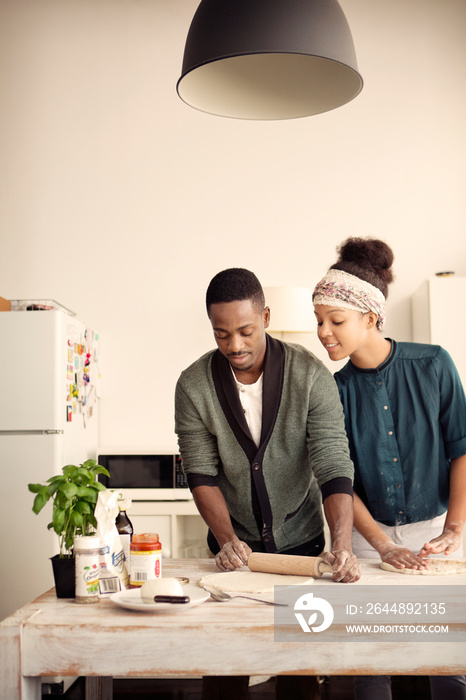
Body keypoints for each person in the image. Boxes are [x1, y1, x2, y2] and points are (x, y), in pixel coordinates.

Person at [175, 267, 360, 700]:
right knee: (224, 673)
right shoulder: (193, 385)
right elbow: (200, 471)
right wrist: (226, 541)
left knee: (298, 675)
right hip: (232, 552)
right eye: (221, 334)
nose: (234, 345)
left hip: (303, 547)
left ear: (266, 317)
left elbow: (333, 463)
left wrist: (343, 544)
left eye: (244, 331)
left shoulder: (311, 375)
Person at [313, 237, 466, 700]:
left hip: (434, 534)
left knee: (446, 660)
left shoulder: (434, 364)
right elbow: (336, 478)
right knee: (370, 661)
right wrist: (378, 544)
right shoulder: (331, 390)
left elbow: (462, 449)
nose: (323, 332)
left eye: (335, 320)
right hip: (364, 535)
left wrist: (455, 527)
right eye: (318, 320)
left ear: (371, 317)